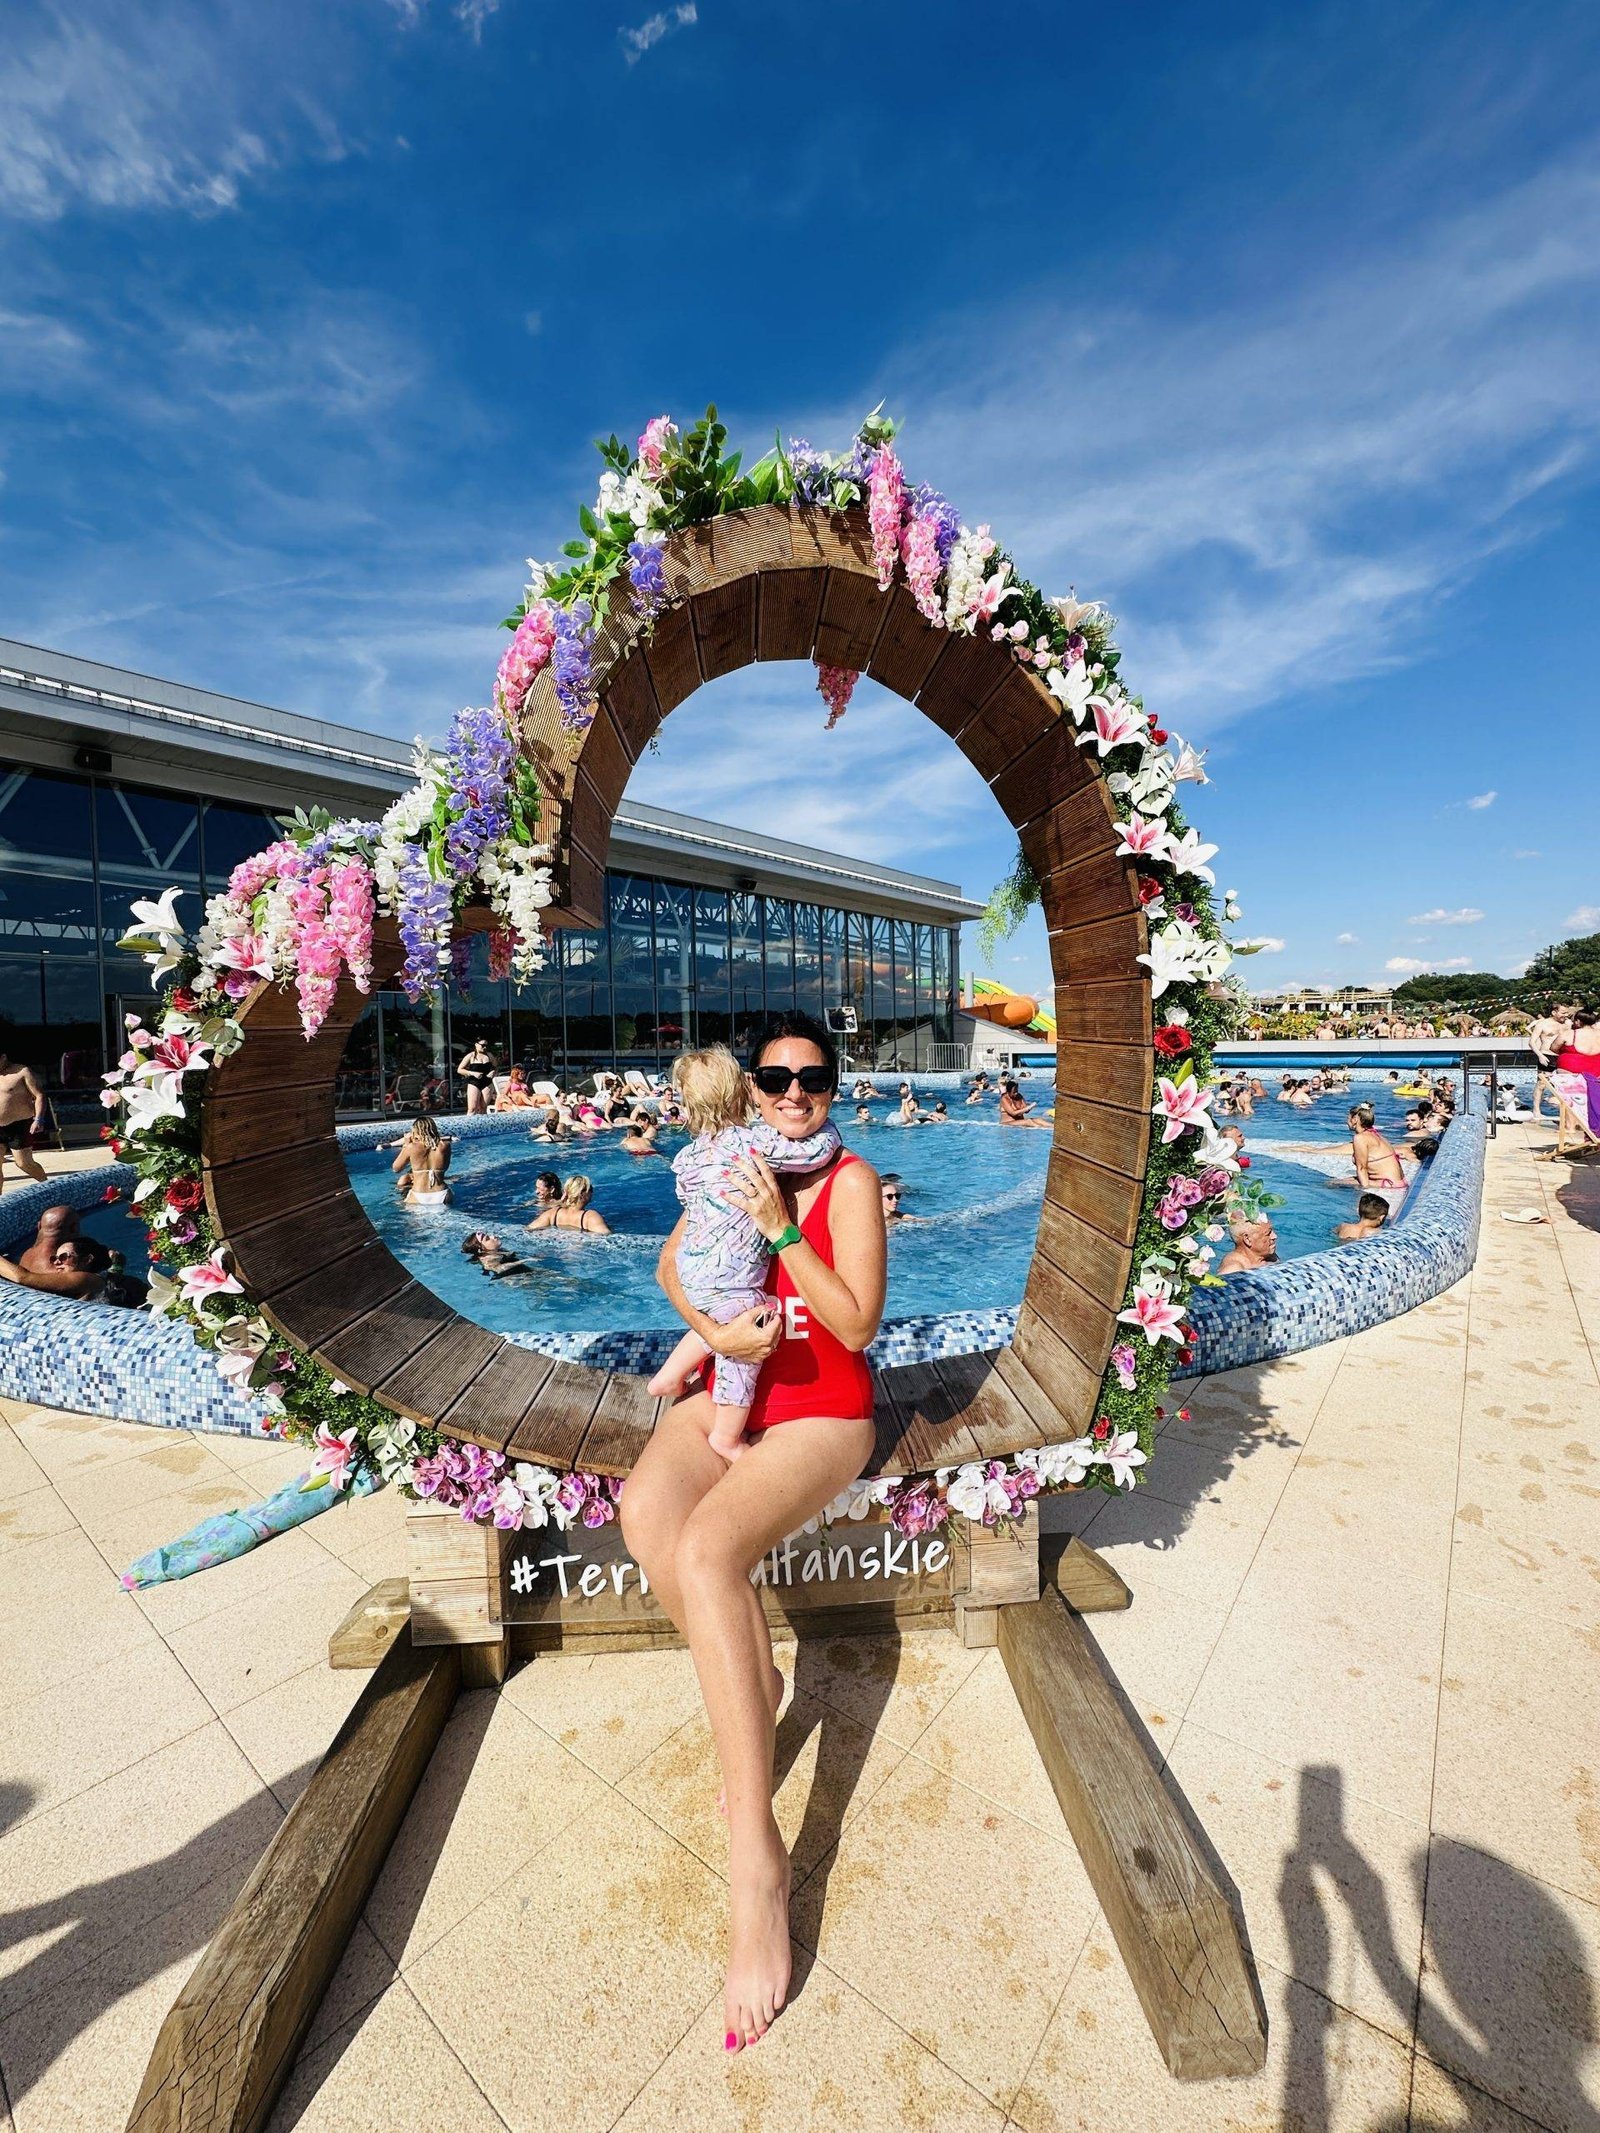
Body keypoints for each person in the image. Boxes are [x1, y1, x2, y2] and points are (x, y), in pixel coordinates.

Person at [620, 1011, 885, 2053]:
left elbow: (857, 1321)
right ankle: (757, 1690)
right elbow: (669, 1271)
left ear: (833, 1086)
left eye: (811, 1079)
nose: (790, 1094)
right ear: (749, 1086)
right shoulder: (727, 1160)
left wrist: (781, 1228)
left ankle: (758, 1866)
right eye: (774, 1078)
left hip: (824, 1409)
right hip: (741, 1386)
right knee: (646, 1512)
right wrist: (713, 1333)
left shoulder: (845, 1181)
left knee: (708, 1550)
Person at [646, 1045, 843, 1461]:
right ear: (743, 1092)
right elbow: (811, 1153)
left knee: (713, 1320)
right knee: (743, 1347)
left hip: (692, 1266)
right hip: (732, 1276)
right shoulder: (753, 1144)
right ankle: (727, 1435)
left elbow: (687, 1197)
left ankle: (668, 1376)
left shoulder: (687, 1158)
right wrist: (831, 1132)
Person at [0, 1232, 112, 1299]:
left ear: (87, 1260)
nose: (56, 1262)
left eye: (63, 1257)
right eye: (54, 1258)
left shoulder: (88, 1279)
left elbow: (23, 1278)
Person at [1345, 1102, 1409, 1209]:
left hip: (1389, 1184)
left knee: (1331, 1184)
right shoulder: (1375, 1134)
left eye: (1348, 1118)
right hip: (1398, 1182)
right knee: (1340, 1182)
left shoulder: (1360, 1138)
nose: (1346, 1122)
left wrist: (1364, 1192)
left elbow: (1362, 1168)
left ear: (1355, 1119)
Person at [0, 1051, 49, 1191]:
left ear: (3, 1058)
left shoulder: (21, 1071)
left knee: (24, 1163)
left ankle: (47, 1186)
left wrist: (38, 1119)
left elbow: (39, 1095)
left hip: (18, 1124)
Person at [1555, 1011, 1600, 1136]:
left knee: (1569, 1097)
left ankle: (1570, 1126)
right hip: (1596, 1068)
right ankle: (1590, 1125)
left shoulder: (1570, 1034)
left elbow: (1554, 1047)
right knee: (1593, 1097)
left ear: (1579, 1021)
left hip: (1571, 1068)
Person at [392, 1116, 452, 1205]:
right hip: (441, 1193)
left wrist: (406, 1145)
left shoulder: (411, 1147)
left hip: (418, 1194)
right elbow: (445, 1168)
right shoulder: (445, 1146)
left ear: (416, 1132)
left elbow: (396, 1168)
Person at [528, 1173, 610, 1234]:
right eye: (590, 1190)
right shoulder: (590, 1216)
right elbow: (607, 1237)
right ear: (582, 1194)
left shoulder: (553, 1213)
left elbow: (528, 1230)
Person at [457, 1040, 498, 1115]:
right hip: (474, 1082)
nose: (484, 1047)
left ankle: (482, 1125)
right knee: (472, 1109)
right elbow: (459, 1070)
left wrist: (493, 1072)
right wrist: (472, 1073)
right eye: (482, 1045)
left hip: (487, 1082)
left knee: (483, 1108)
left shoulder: (489, 1055)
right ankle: (469, 1125)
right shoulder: (471, 1056)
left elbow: (495, 1067)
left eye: (486, 1046)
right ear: (476, 1044)